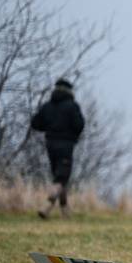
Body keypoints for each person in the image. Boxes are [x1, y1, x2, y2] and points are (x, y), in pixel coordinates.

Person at [30, 78, 85, 219]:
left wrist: (49, 128)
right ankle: (46, 206)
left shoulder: (47, 106)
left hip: (50, 144)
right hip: (66, 145)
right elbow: (79, 125)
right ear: (69, 91)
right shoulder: (72, 106)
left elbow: (35, 123)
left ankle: (65, 212)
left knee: (60, 178)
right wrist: (72, 134)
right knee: (61, 178)